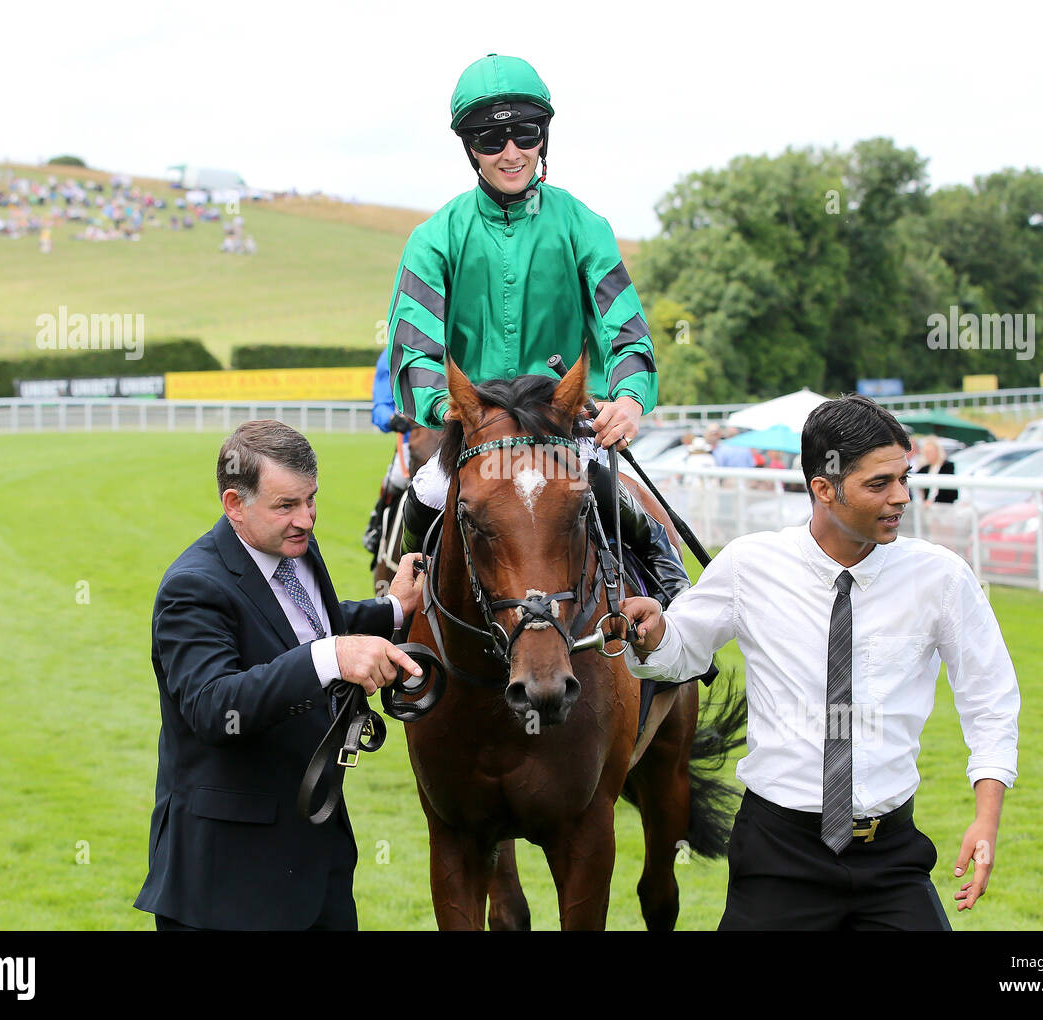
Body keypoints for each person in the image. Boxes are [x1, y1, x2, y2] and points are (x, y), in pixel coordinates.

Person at [618, 395, 1020, 930]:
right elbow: (679, 653)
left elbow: (990, 698)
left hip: (893, 858)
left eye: (904, 477)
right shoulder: (749, 565)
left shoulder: (942, 578)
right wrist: (652, 634)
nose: (901, 497)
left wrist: (986, 819)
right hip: (777, 856)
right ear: (823, 488)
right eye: (879, 484)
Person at [389, 53, 689, 607]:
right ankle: (406, 620)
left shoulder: (583, 225)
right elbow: (415, 346)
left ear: (542, 137)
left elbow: (625, 328)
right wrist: (442, 406)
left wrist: (628, 399)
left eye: (524, 134)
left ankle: (676, 606)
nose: (510, 153)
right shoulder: (433, 239)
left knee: (611, 491)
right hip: (475, 425)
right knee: (424, 495)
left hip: (563, 419)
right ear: (469, 148)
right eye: (490, 139)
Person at [134, 420, 425, 930]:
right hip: (229, 883)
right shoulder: (193, 588)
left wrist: (393, 611)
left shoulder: (292, 548)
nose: (306, 519)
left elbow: (306, 625)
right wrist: (331, 657)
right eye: (286, 505)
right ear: (233, 504)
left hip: (318, 859)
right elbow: (214, 706)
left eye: (311, 500)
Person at [362, 346, 412, 558]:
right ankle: (376, 527)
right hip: (414, 440)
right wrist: (392, 420)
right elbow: (381, 407)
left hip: (459, 440)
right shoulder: (391, 354)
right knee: (398, 479)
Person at [915, 436, 957, 504]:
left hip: (943, 504)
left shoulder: (947, 466)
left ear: (937, 451)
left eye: (930, 452)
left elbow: (949, 491)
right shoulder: (925, 468)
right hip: (927, 505)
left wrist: (933, 501)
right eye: (926, 452)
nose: (928, 455)